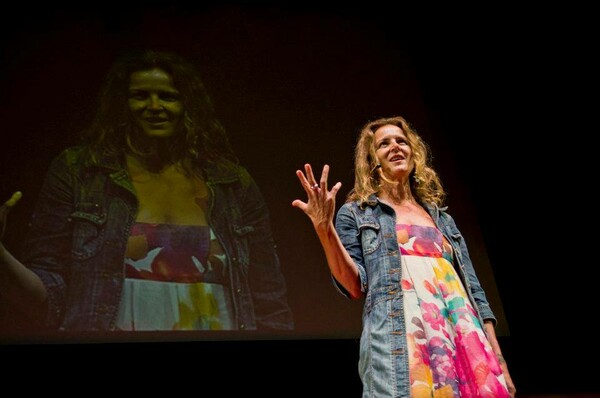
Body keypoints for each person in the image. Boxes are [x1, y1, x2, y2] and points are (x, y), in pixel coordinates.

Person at [0, 49, 293, 333]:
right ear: (121, 103)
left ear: (188, 105)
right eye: (140, 95)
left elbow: (270, 301)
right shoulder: (81, 172)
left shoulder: (232, 184)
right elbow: (47, 294)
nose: (154, 106)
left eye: (168, 96)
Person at [292, 115, 515, 397]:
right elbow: (353, 286)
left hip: (464, 342)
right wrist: (325, 229)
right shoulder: (357, 213)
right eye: (384, 144)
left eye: (401, 141)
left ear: (413, 151)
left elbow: (476, 295)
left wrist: (499, 360)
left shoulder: (442, 218)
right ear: (373, 160)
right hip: (403, 340)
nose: (395, 147)